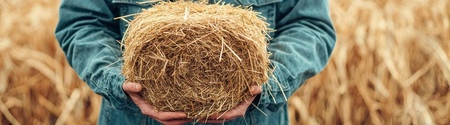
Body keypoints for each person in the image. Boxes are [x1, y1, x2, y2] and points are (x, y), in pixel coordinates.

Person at [55, 0, 336, 124]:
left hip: (256, 120)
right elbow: (82, 22)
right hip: (132, 119)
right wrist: (122, 82)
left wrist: (267, 83)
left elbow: (309, 25)